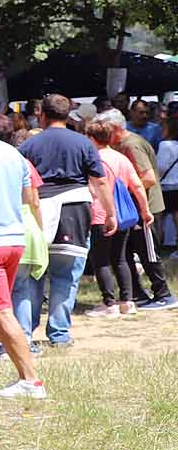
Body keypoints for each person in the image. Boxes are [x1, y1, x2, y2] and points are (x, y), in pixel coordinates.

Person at [18, 93, 115, 347]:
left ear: (42, 115)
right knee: (66, 275)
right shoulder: (83, 144)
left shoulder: (29, 146)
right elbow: (101, 181)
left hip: (37, 211)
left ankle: (26, 336)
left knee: (32, 275)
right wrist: (110, 213)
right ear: (68, 114)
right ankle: (59, 335)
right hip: (74, 211)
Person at [0, 111, 48, 400]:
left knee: (0, 311)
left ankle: (30, 380)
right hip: (14, 239)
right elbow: (26, 197)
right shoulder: (14, 154)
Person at [109, 109, 174, 309]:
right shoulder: (123, 144)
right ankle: (138, 293)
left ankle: (163, 294)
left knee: (148, 252)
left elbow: (147, 178)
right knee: (127, 250)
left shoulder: (131, 146)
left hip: (144, 207)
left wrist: (121, 190)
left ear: (115, 128)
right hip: (134, 207)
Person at [83, 117, 146, 318]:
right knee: (120, 259)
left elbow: (92, 189)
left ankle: (109, 303)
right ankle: (127, 301)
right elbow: (136, 185)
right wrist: (145, 210)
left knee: (100, 260)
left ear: (92, 138)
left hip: (100, 215)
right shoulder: (121, 158)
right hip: (123, 215)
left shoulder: (93, 160)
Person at [157, 113, 178, 251]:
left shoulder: (165, 145)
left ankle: (157, 245)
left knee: (158, 217)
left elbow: (161, 166)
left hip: (166, 186)